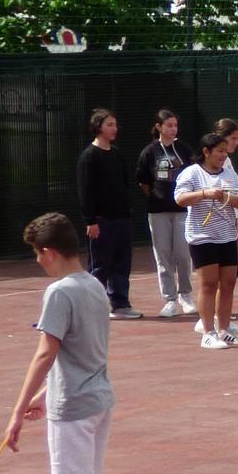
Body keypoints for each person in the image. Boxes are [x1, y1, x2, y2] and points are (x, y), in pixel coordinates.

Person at [4, 212, 116, 474]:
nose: (37, 261)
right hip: (98, 399)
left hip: (75, 409)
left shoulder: (59, 292)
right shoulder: (94, 286)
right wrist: (47, 394)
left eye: (37, 253)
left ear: (49, 252)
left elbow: (45, 352)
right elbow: (85, 352)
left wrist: (17, 412)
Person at [174, 132, 238, 350]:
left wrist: (227, 197)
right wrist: (205, 193)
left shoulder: (229, 175)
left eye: (225, 152)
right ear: (206, 152)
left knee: (228, 283)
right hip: (202, 237)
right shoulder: (192, 173)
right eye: (220, 151)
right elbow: (180, 198)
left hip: (227, 236)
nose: (224, 156)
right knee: (208, 284)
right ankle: (207, 332)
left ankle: (224, 330)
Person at [75, 108, 139, 319]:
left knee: (122, 262)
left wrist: (126, 209)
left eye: (115, 124)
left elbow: (123, 184)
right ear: (98, 127)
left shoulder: (117, 154)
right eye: (109, 124)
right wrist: (91, 220)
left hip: (122, 218)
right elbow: (86, 191)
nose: (114, 128)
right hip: (102, 221)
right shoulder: (89, 157)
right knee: (100, 265)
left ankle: (120, 304)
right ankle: (93, 307)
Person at [135, 109, 196, 319]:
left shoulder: (184, 150)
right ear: (159, 127)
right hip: (158, 211)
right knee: (163, 255)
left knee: (183, 254)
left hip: (182, 211)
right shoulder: (149, 152)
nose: (173, 129)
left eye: (175, 125)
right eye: (168, 125)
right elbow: (143, 181)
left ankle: (185, 294)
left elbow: (194, 175)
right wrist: (157, 195)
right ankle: (170, 299)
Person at [201, 119, 238, 336]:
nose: (236, 143)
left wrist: (235, 223)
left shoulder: (227, 165)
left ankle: (224, 323)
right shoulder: (206, 168)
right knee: (210, 280)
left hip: (228, 229)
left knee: (229, 279)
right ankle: (208, 324)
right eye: (233, 139)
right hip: (209, 231)